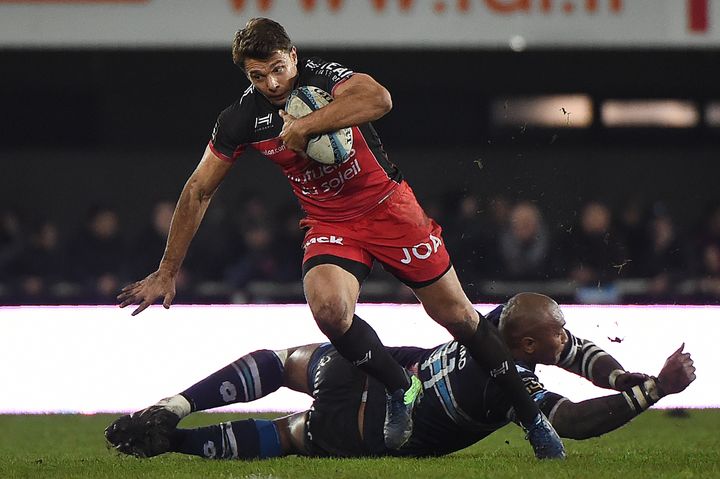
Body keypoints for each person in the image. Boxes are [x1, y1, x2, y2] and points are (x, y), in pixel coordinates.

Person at [116, 18, 562, 457]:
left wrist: (307, 126)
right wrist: (167, 270)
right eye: (258, 75)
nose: (272, 83)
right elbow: (199, 189)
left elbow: (379, 99)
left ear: (292, 56)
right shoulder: (241, 118)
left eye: (277, 68)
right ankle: (399, 386)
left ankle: (532, 418)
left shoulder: (324, 77)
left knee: (460, 318)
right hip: (331, 222)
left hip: (390, 209)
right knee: (329, 309)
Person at [105, 293, 696, 460]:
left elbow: (575, 351)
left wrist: (621, 376)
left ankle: (174, 407)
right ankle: (175, 441)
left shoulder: (494, 326)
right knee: (290, 436)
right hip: (385, 423)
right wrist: (653, 391)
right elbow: (572, 423)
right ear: (526, 345)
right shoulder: (509, 383)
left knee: (283, 360)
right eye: (557, 335)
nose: (567, 341)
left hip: (393, 371)